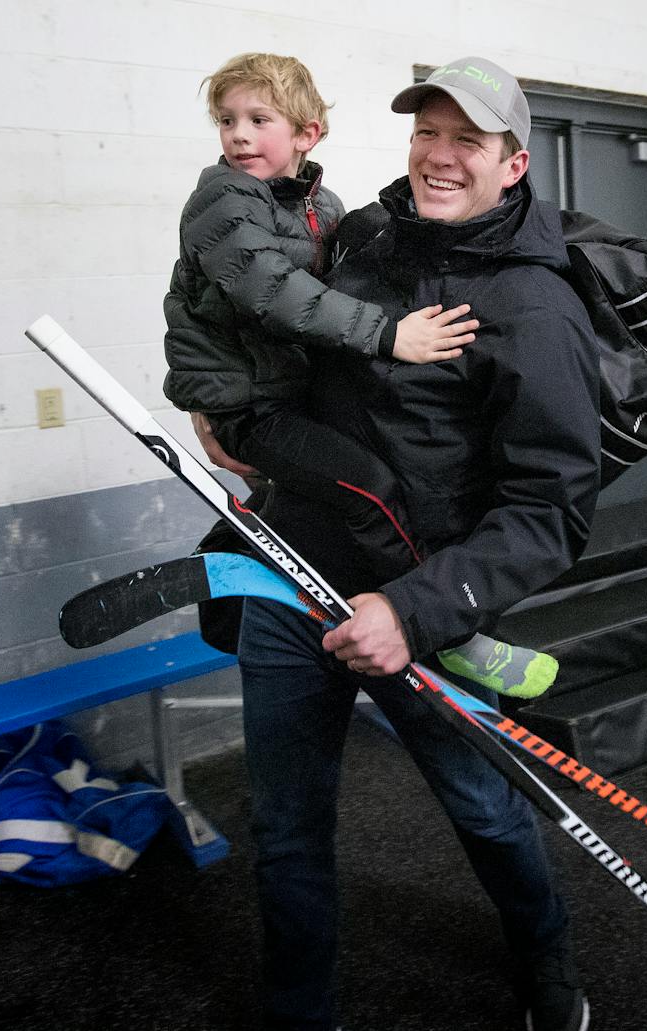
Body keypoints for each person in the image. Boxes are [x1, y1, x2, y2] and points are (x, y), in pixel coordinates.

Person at [199, 56, 601, 1031]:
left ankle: (544, 961)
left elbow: (549, 505)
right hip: (289, 571)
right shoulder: (364, 234)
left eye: (467, 138)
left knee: (480, 805)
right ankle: (301, 1009)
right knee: (286, 826)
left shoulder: (534, 306)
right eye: (427, 131)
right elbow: (304, 357)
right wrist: (241, 422)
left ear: (513, 162)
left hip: (417, 597)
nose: (439, 154)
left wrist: (412, 610)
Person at [164, 51, 556, 699]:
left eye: (258, 119)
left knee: (310, 489)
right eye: (227, 120)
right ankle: (451, 636)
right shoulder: (225, 198)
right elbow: (276, 294)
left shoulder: (328, 209)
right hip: (248, 405)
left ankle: (230, 560)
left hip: (281, 397)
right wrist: (390, 334)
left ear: (306, 133)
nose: (237, 134)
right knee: (369, 489)